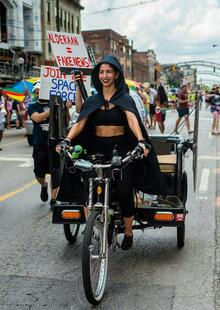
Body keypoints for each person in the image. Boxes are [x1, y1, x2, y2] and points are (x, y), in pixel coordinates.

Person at [56, 55, 167, 250]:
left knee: (125, 191)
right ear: (98, 75)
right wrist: (67, 140)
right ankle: (92, 224)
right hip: (97, 149)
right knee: (87, 188)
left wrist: (141, 141)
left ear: (116, 74)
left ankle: (129, 231)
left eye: (108, 71)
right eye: (101, 72)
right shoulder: (94, 100)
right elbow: (80, 123)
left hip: (122, 149)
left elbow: (133, 121)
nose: (104, 75)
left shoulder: (124, 99)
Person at [28, 81, 59, 207]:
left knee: (54, 171)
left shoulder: (57, 104)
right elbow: (37, 118)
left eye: (42, 90)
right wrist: (53, 108)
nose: (39, 92)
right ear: (35, 92)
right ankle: (44, 185)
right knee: (39, 172)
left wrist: (65, 108)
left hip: (54, 143)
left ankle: (53, 199)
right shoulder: (33, 106)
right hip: (39, 143)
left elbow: (65, 120)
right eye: (37, 90)